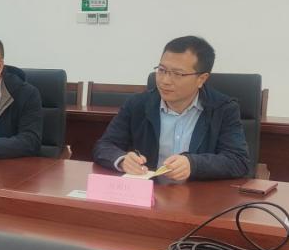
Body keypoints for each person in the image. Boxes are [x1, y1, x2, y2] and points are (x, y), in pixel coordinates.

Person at [93, 35, 250, 181]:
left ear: (201, 79)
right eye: (162, 70)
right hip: (149, 192)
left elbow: (238, 161)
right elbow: (104, 146)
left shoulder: (223, 109)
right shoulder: (137, 104)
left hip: (196, 195)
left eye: (177, 74)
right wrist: (122, 160)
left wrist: (194, 164)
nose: (165, 81)